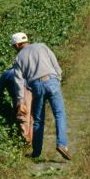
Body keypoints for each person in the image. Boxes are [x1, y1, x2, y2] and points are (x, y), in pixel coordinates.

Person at [10, 32, 71, 160]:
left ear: (16, 45)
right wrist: (57, 79)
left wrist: (21, 101)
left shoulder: (18, 58)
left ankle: (36, 152)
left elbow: (19, 82)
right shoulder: (42, 46)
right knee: (59, 114)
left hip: (36, 86)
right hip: (52, 81)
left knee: (38, 120)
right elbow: (55, 64)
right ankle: (62, 144)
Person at [0, 67, 33, 144]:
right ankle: (28, 142)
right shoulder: (28, 72)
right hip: (29, 94)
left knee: (21, 118)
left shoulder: (7, 74)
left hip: (17, 98)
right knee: (29, 117)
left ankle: (23, 141)